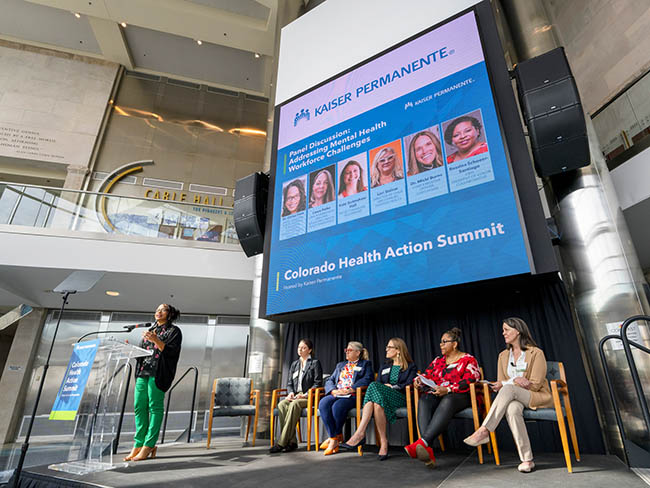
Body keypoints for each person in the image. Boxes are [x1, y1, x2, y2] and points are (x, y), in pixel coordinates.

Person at [463, 317, 552, 473]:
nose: (503, 333)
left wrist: (508, 383)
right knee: (511, 409)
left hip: (535, 395)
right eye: (503, 330)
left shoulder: (536, 353)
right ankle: (527, 460)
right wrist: (512, 381)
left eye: (506, 330)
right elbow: (500, 384)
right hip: (513, 396)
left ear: (518, 331)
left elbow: (536, 384)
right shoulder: (503, 356)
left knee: (508, 389)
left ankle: (484, 430)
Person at [404, 327, 480, 467]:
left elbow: (472, 379)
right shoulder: (438, 361)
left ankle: (423, 443)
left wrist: (449, 389)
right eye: (440, 342)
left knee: (448, 399)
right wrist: (419, 381)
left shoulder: (468, 359)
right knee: (424, 400)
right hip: (439, 394)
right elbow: (426, 375)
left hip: (461, 396)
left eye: (444, 342)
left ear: (455, 344)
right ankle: (426, 447)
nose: (441, 345)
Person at [124, 304, 183, 461]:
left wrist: (156, 340)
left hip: (158, 373)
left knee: (154, 408)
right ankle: (138, 444)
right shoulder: (150, 330)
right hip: (143, 371)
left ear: (169, 314)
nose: (158, 312)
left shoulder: (174, 331)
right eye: (157, 309)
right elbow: (144, 353)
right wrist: (129, 349)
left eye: (162, 310)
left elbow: (171, 352)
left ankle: (149, 445)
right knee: (139, 407)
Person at [341, 338, 416, 460]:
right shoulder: (385, 365)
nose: (386, 349)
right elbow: (379, 382)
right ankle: (384, 442)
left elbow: (409, 383)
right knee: (375, 402)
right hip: (382, 397)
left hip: (400, 397)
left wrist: (392, 386)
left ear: (398, 350)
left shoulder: (410, 366)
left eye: (389, 347)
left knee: (373, 387)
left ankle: (360, 433)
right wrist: (383, 387)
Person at [318, 341, 373, 455]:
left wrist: (351, 389)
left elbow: (368, 378)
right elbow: (330, 380)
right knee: (323, 403)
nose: (346, 352)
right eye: (346, 350)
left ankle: (333, 440)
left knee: (337, 407)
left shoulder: (365, 364)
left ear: (358, 353)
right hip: (338, 392)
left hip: (352, 395)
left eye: (349, 350)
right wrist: (333, 390)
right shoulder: (340, 365)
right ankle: (334, 438)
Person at [270, 339, 323, 453]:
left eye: (303, 347)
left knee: (294, 405)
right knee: (281, 404)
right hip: (296, 395)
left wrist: (305, 395)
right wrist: (290, 393)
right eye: (299, 347)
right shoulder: (294, 364)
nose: (300, 349)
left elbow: (317, 383)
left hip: (309, 397)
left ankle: (281, 442)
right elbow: (289, 383)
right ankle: (292, 441)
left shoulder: (314, 363)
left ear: (309, 350)